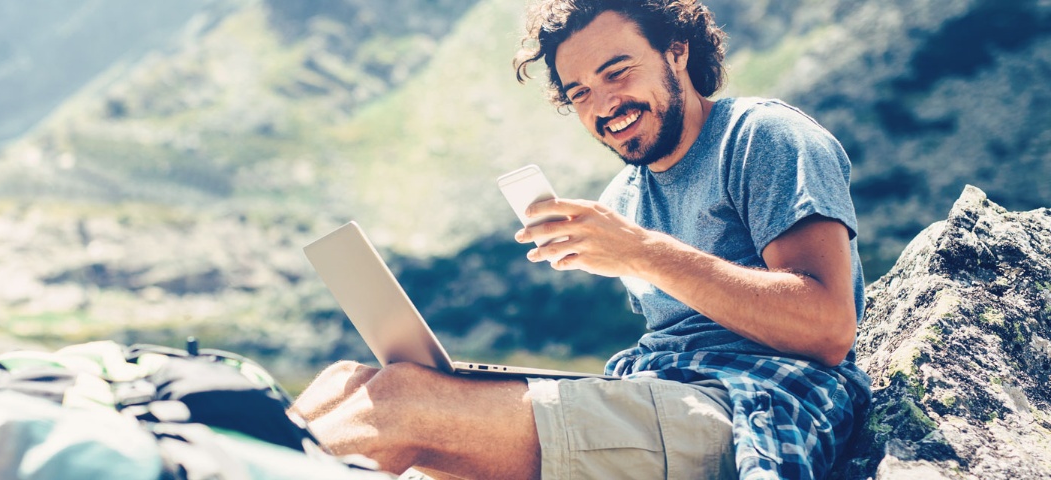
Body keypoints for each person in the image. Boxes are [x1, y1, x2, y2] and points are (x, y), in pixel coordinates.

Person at [288, 0, 872, 478]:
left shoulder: (763, 136)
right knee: (354, 380)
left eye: (617, 72)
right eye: (580, 93)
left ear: (677, 49)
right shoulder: (624, 193)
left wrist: (642, 252)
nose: (604, 105)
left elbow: (826, 329)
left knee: (405, 407)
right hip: (661, 396)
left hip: (757, 406)